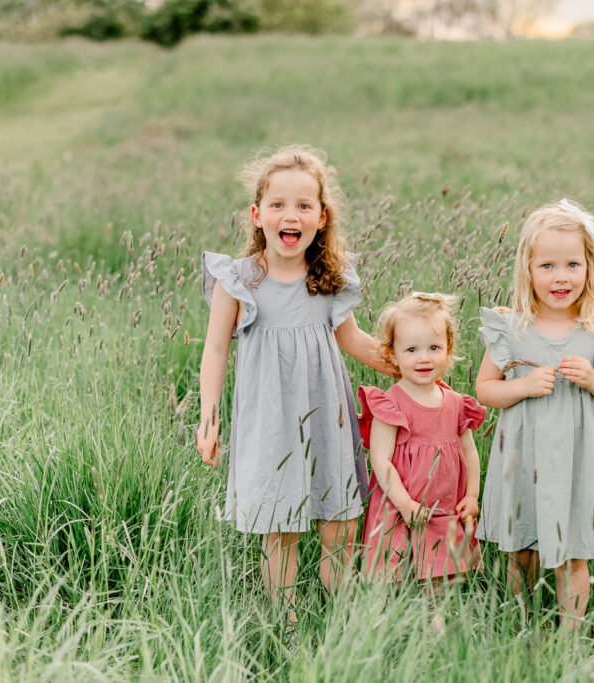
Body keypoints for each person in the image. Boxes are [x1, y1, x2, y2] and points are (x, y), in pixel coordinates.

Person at [196, 145, 394, 619]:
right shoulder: (239, 280)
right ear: (257, 214)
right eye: (279, 204)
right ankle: (283, 626)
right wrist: (208, 419)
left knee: (338, 524)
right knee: (278, 525)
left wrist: (411, 366)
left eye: (304, 205)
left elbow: (355, 341)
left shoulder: (328, 278)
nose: (291, 215)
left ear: (322, 218)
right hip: (268, 418)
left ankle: (340, 622)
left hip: (326, 412)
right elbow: (215, 349)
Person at [475, 199, 594, 629]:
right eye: (547, 265)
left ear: (589, 268)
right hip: (523, 456)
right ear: (527, 268)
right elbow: (484, 389)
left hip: (578, 460)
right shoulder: (511, 328)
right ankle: (522, 623)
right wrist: (524, 386)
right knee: (520, 549)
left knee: (574, 552)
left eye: (572, 264)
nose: (560, 277)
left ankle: (570, 636)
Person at [358, 293, 486, 583]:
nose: (424, 358)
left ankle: (436, 622)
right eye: (412, 349)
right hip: (398, 506)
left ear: (448, 349)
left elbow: (470, 453)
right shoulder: (389, 405)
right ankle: (388, 624)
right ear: (392, 354)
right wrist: (404, 504)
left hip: (442, 508)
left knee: (440, 576)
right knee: (392, 574)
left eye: (434, 347)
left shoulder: (455, 403)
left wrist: (472, 495)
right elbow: (380, 460)